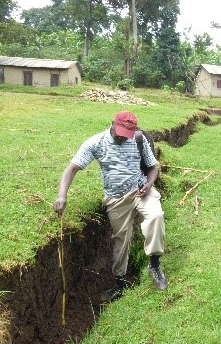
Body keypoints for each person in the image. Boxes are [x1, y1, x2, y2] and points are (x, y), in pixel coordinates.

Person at [53, 111, 168, 303]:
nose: (123, 137)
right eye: (121, 132)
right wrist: (62, 195)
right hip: (116, 199)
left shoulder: (138, 139)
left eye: (127, 134)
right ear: (113, 124)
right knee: (121, 239)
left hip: (141, 190)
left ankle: (154, 266)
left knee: (156, 216)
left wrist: (149, 184)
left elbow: (152, 167)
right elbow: (72, 168)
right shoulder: (95, 143)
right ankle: (120, 283)